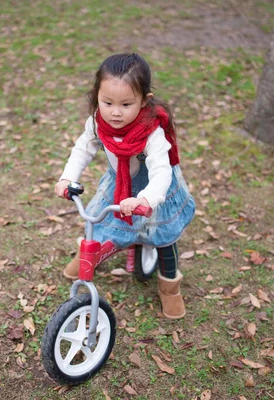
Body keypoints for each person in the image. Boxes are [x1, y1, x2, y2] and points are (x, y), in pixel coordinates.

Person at [54, 53, 196, 319]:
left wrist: (146, 199)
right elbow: (82, 149)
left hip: (153, 189)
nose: (115, 112)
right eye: (107, 102)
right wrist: (67, 177)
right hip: (119, 183)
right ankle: (86, 257)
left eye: (126, 104)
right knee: (96, 220)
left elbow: (162, 172)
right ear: (97, 96)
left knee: (164, 236)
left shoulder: (152, 132)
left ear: (144, 101)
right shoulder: (98, 123)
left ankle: (169, 288)